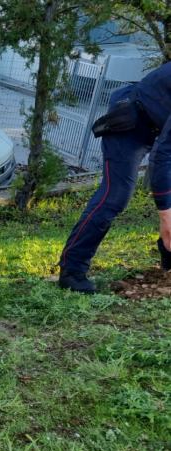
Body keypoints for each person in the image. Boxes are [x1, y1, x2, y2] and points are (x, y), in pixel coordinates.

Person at [58, 61, 171, 293]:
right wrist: (165, 214)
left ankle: (169, 258)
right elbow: (162, 156)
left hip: (156, 124)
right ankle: (72, 269)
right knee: (115, 195)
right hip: (132, 122)